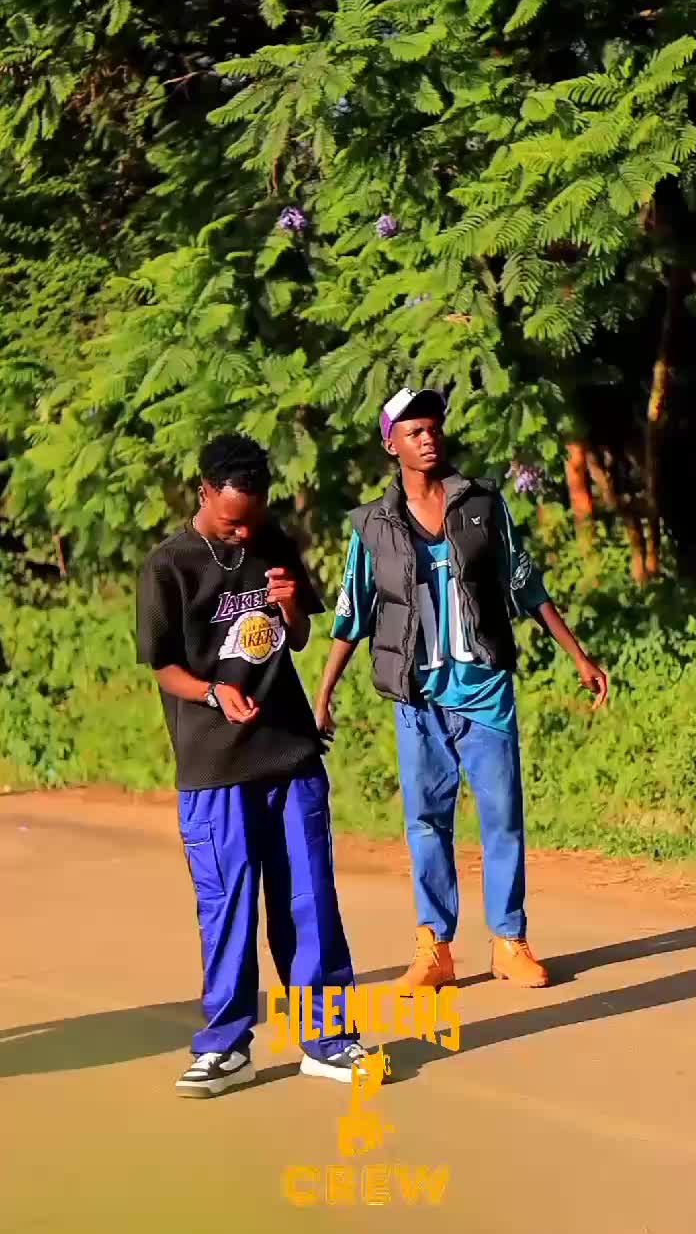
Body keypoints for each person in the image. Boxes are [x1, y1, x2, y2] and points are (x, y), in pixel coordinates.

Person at [316, 387, 608, 993]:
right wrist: (324, 695)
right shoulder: (372, 526)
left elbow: (526, 584)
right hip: (417, 699)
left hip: (484, 691)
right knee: (426, 823)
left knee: (502, 819)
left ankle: (509, 942)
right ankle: (435, 948)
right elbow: (351, 615)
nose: (427, 438)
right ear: (391, 444)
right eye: (413, 431)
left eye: (433, 428)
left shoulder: (481, 505)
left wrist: (578, 655)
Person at [137, 432, 365, 1097]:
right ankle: (226, 1046)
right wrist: (214, 692)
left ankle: (328, 1040)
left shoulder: (272, 540)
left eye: (252, 520)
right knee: (227, 908)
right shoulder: (169, 566)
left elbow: (298, 637)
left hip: (288, 753)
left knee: (309, 899)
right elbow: (164, 667)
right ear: (205, 493)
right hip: (214, 766)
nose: (243, 533)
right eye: (233, 520)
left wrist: (289, 603)